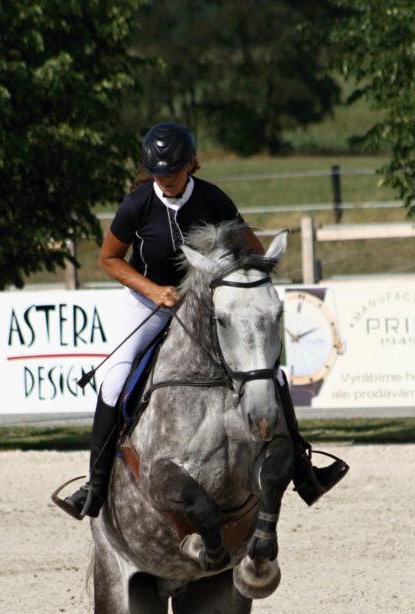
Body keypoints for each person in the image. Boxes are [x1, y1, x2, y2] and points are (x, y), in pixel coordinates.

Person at [61, 122, 347, 520]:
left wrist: (233, 285)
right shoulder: (137, 204)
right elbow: (108, 259)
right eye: (158, 173)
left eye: (173, 172)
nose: (166, 180)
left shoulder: (212, 198)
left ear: (191, 164)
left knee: (272, 375)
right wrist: (153, 291)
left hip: (206, 307)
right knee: (115, 378)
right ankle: (95, 485)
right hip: (149, 303)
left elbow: (253, 254)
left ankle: (304, 471)